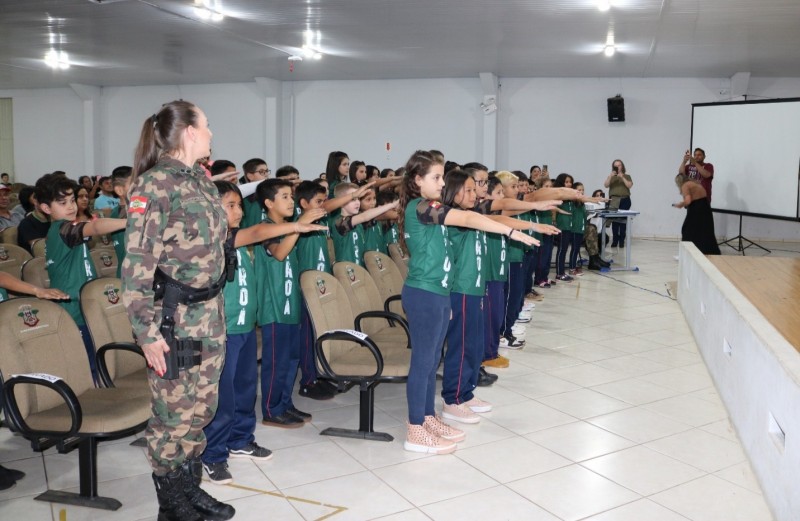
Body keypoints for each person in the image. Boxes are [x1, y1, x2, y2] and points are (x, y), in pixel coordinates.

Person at [121, 100, 234, 521]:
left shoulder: (200, 181)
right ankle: (171, 506)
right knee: (172, 414)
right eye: (206, 126)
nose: (210, 133)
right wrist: (146, 334)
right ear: (188, 131)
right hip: (173, 320)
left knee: (201, 409)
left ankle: (190, 490)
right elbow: (135, 267)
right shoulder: (154, 186)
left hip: (209, 315)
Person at [398, 150, 538, 454]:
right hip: (424, 293)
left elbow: (470, 215)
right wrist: (511, 231)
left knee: (432, 358)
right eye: (434, 177)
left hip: (438, 292)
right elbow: (466, 217)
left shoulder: (431, 207)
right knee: (423, 364)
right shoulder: (420, 207)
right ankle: (414, 430)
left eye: (440, 177)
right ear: (417, 180)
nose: (440, 182)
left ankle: (427, 418)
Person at [201, 181, 326, 484]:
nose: (238, 210)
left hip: (245, 327)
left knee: (246, 388)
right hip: (224, 331)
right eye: (230, 205)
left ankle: (240, 439)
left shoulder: (246, 245)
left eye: (239, 204)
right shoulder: (215, 239)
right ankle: (213, 454)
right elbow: (259, 232)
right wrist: (299, 223)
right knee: (224, 395)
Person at [36, 174, 126, 381]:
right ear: (46, 208)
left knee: (99, 364)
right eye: (62, 203)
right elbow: (94, 227)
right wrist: (129, 221)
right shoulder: (61, 229)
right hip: (74, 311)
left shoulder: (67, 228)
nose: (71, 206)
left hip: (86, 308)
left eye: (71, 200)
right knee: (90, 371)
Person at [254, 179, 318, 429]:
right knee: (276, 361)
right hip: (274, 306)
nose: (291, 201)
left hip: (291, 303)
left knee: (292, 358)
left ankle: (285, 403)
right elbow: (279, 253)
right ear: (269, 203)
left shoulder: (288, 227)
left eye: (291, 196)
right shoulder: (265, 228)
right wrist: (298, 227)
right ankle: (271, 409)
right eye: (284, 197)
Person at [330, 182, 398, 266]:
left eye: (358, 199)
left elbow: (370, 214)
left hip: (362, 272)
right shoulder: (339, 222)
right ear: (341, 201)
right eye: (353, 199)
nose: (357, 202)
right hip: (346, 272)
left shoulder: (359, 221)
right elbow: (364, 217)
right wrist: (392, 205)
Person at [673, 174, 721, 255]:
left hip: (697, 209)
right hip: (705, 207)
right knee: (705, 230)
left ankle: (687, 253)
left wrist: (680, 204)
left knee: (687, 230)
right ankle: (709, 251)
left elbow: (688, 201)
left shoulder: (685, 185)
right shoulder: (695, 183)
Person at [603, 159, 633, 248]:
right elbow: (606, 185)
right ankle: (615, 240)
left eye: (619, 165)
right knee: (614, 221)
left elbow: (629, 185)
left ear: (622, 166)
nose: (618, 167)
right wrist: (610, 176)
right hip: (614, 200)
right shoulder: (611, 177)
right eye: (616, 165)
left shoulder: (627, 176)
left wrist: (622, 177)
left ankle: (622, 240)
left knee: (623, 221)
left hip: (625, 199)